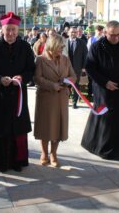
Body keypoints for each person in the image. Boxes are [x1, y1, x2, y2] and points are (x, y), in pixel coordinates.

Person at [0, 12, 35, 172]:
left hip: (18, 95)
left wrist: (22, 77)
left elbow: (31, 69)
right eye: (8, 30)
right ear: (1, 29)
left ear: (18, 30)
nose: (10, 33)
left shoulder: (25, 47)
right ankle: (1, 162)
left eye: (14, 30)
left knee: (17, 129)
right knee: (1, 128)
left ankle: (18, 161)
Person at [81, 20, 119, 160]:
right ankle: (104, 148)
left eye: (118, 34)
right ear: (105, 33)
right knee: (107, 122)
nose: (116, 38)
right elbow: (90, 67)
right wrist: (105, 82)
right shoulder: (97, 46)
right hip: (105, 91)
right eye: (112, 35)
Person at [34, 34, 76, 167]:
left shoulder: (65, 59)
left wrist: (67, 82)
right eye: (60, 46)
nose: (62, 49)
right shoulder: (40, 59)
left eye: (63, 46)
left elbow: (73, 76)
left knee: (58, 126)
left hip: (61, 98)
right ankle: (44, 153)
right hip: (46, 98)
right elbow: (37, 78)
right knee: (45, 126)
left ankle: (53, 153)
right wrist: (52, 85)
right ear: (52, 46)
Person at [63, 26, 88, 109]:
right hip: (65, 68)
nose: (73, 33)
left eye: (75, 32)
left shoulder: (81, 42)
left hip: (77, 68)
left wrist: (83, 67)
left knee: (76, 86)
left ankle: (74, 102)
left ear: (77, 33)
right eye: (71, 32)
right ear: (68, 33)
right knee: (66, 85)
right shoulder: (64, 42)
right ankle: (65, 101)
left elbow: (85, 55)